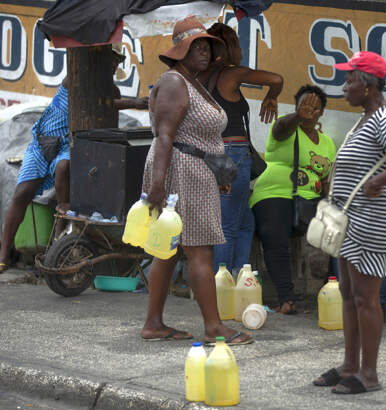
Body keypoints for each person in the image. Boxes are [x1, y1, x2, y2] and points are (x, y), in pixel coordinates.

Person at [312, 51, 386, 394]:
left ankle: (369, 374)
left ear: (368, 85)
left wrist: (380, 181)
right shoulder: (366, 118)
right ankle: (349, 365)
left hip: (372, 221)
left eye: (350, 80)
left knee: (365, 298)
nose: (345, 87)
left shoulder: (382, 119)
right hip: (351, 220)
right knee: (348, 294)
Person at [141, 16, 252, 345]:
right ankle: (214, 327)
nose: (204, 51)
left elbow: (199, 137)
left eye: (207, 46)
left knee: (168, 251)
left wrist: (218, 173)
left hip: (195, 171)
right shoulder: (175, 82)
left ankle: (153, 323)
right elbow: (165, 137)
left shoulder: (193, 82)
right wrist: (157, 186)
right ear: (180, 51)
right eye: (196, 46)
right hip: (179, 172)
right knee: (200, 252)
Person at [0, 46, 147, 274]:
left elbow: (110, 103)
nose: (113, 67)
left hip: (68, 145)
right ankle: (2, 255)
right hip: (42, 141)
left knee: (64, 166)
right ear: (94, 63)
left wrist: (138, 103)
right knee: (22, 194)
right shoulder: (74, 79)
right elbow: (92, 91)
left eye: (115, 64)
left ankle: (61, 228)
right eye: (108, 62)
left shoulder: (111, 90)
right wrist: (136, 103)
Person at [200, 22, 283, 275]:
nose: (240, 50)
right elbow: (277, 79)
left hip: (212, 152)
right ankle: (220, 284)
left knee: (245, 222)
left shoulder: (202, 77)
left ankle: (237, 276)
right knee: (229, 225)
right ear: (227, 49)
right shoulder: (232, 73)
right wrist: (272, 95)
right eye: (236, 44)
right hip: (233, 154)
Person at [249, 85, 336, 315]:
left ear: (322, 113)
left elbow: (326, 178)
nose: (310, 110)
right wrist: (297, 117)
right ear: (296, 107)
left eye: (316, 107)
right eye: (305, 105)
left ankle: (338, 292)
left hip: (310, 201)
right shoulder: (286, 127)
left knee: (340, 232)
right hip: (275, 193)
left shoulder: (327, 143)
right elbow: (280, 128)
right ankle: (287, 299)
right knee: (275, 236)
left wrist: (331, 206)